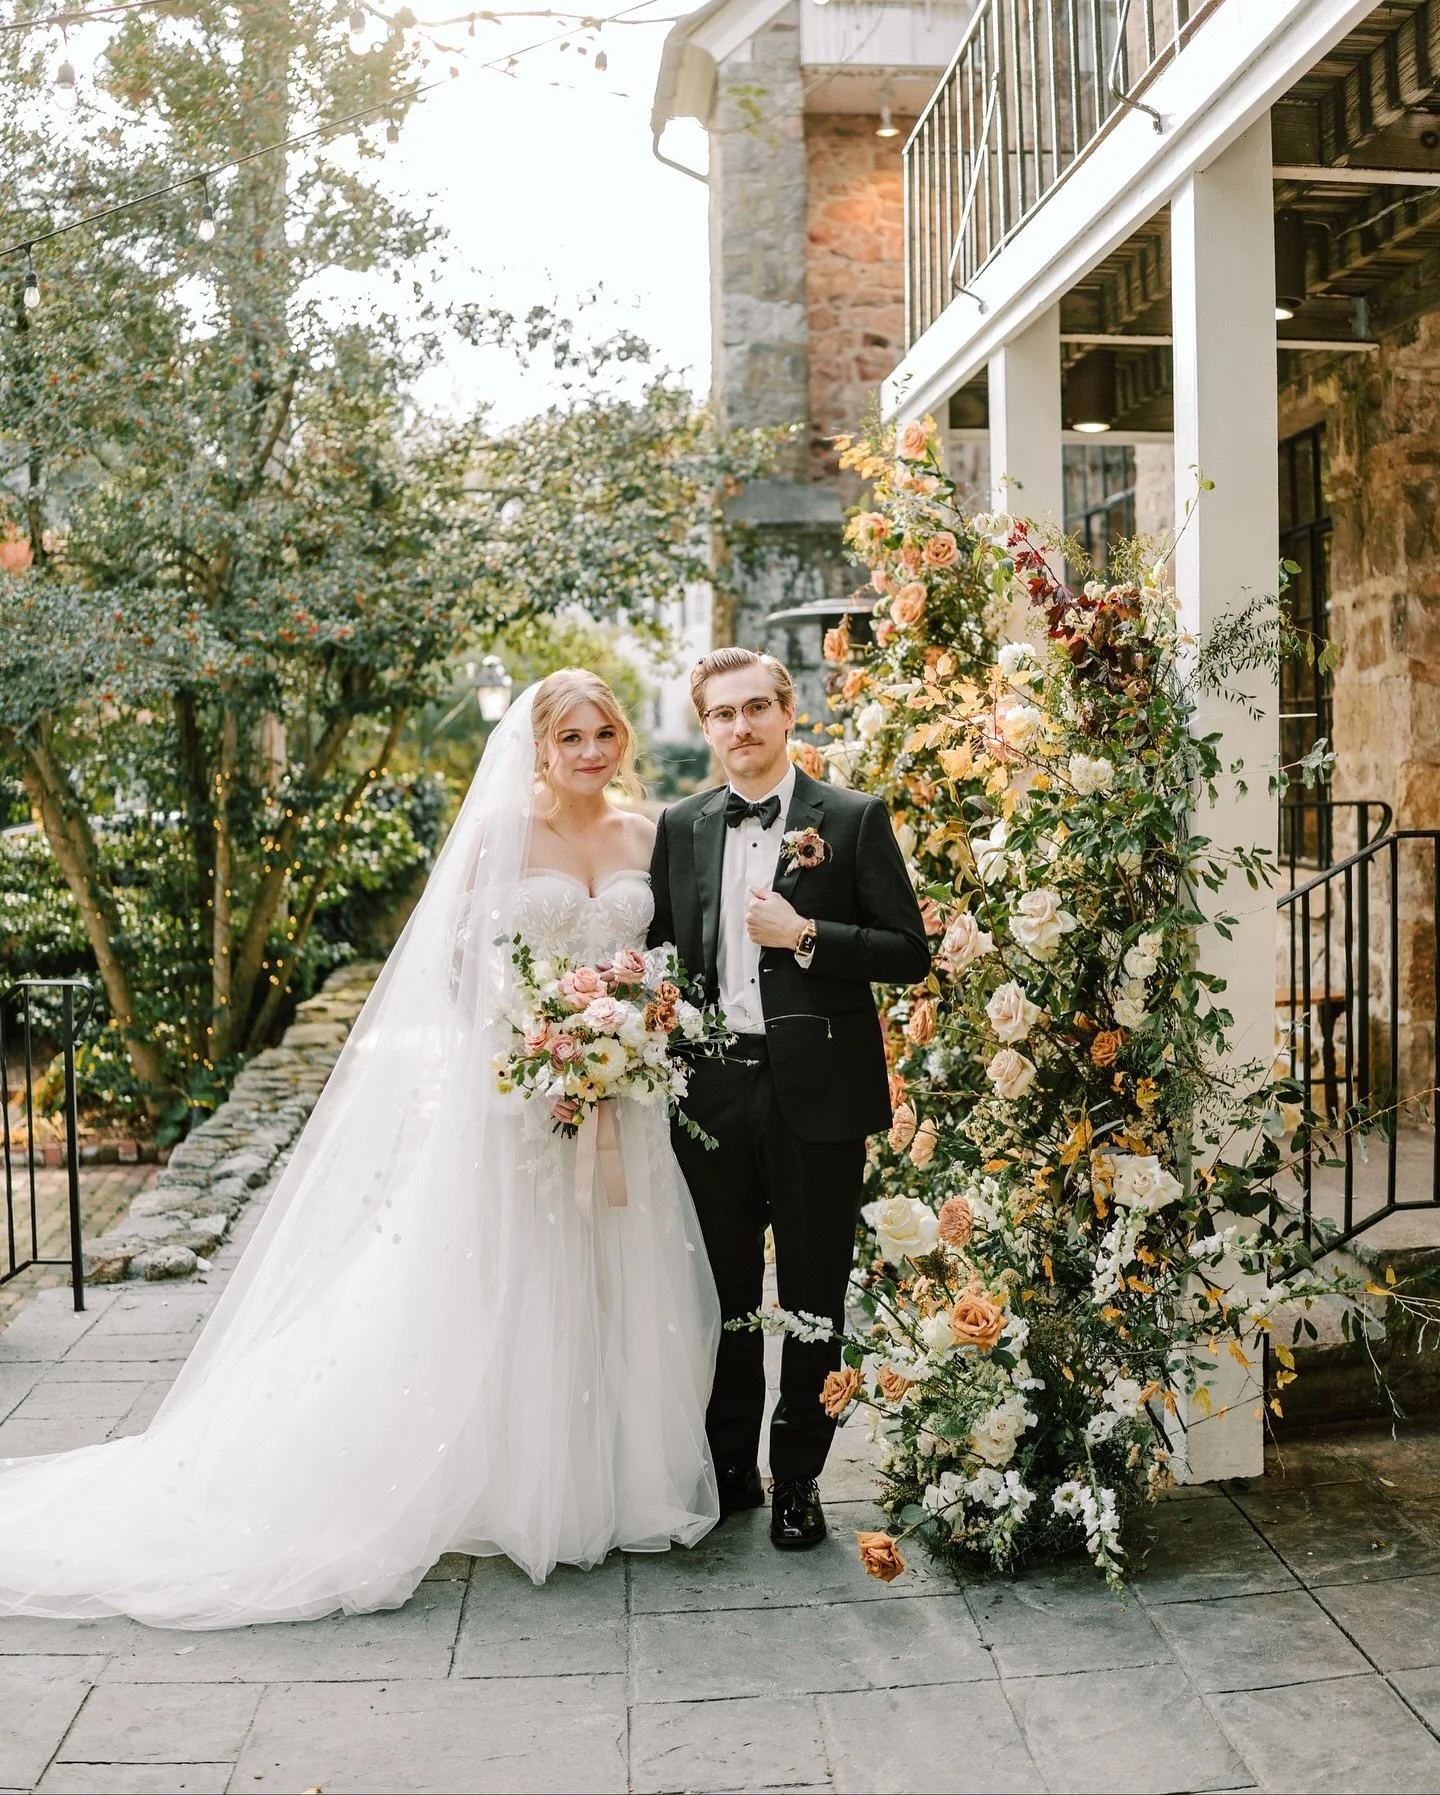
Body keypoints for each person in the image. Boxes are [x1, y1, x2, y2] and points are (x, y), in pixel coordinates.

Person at [0, 671, 719, 1628]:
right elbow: (459, 972)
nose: (591, 752)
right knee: (521, 1275)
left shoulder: (647, 835)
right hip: (521, 1096)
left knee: (614, 1276)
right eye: (571, 737)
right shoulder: (501, 838)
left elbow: (664, 962)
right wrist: (542, 1049)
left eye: (604, 735)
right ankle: (517, 1483)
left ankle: (615, 1482)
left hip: (624, 1099)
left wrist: (628, 1033)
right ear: (539, 746)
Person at [649, 647, 929, 1551]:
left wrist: (806, 933)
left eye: (757, 707)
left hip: (815, 1093)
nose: (743, 726)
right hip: (709, 1090)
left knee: (813, 1291)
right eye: (724, 713)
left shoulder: (850, 818)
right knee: (722, 1291)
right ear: (706, 727)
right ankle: (731, 1465)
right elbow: (662, 956)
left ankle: (800, 1477)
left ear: (788, 709)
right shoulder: (681, 825)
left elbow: (908, 950)